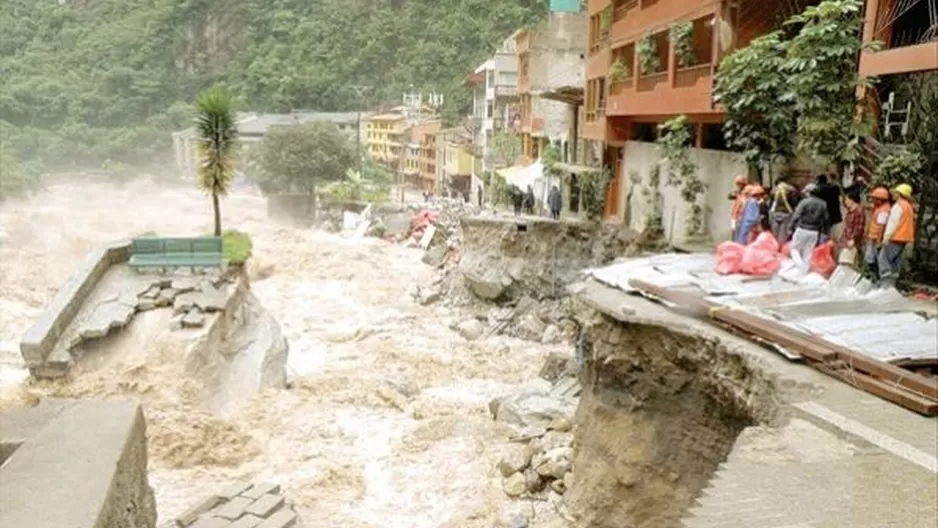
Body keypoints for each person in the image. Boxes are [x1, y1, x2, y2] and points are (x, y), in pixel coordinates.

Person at [878, 183, 916, 288]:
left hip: (895, 237)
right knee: (895, 261)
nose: (893, 195)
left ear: (900, 194)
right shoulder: (908, 206)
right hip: (904, 238)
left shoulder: (898, 206)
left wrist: (886, 238)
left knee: (884, 259)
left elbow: (893, 223)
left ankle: (885, 286)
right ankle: (891, 286)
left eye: (896, 193)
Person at [789, 183, 830, 274]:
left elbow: (796, 216)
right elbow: (826, 219)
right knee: (808, 252)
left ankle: (800, 266)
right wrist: (826, 232)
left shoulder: (804, 202)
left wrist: (791, 227)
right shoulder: (823, 204)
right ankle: (804, 272)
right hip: (814, 231)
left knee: (794, 248)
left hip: (802, 228)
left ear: (809, 192)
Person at [863, 186, 892, 279]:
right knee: (871, 258)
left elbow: (881, 227)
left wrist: (879, 241)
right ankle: (874, 276)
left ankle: (876, 277)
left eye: (874, 198)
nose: (872, 200)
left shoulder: (884, 210)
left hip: (876, 239)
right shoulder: (879, 207)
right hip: (873, 237)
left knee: (872, 258)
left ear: (880, 199)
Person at [839, 188, 865, 269]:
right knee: (844, 263)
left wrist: (853, 240)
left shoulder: (859, 211)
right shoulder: (850, 211)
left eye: (847, 199)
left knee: (846, 264)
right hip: (846, 241)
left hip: (851, 242)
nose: (846, 201)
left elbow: (859, 227)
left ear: (852, 199)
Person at [814, 174, 843, 245]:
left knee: (822, 236)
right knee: (832, 237)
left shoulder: (818, 189)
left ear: (818, 181)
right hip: (835, 215)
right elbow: (840, 193)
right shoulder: (834, 187)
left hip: (823, 216)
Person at [770, 178, 799, 243]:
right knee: (783, 234)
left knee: (775, 234)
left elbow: (771, 203)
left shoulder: (773, 190)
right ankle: (781, 248)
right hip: (787, 212)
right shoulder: (791, 189)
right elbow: (794, 202)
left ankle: (775, 248)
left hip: (775, 212)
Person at [728, 175, 748, 239]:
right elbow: (730, 196)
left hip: (741, 215)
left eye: (740, 184)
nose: (739, 185)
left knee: (740, 232)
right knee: (733, 231)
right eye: (738, 184)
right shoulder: (737, 192)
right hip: (734, 214)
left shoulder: (746, 193)